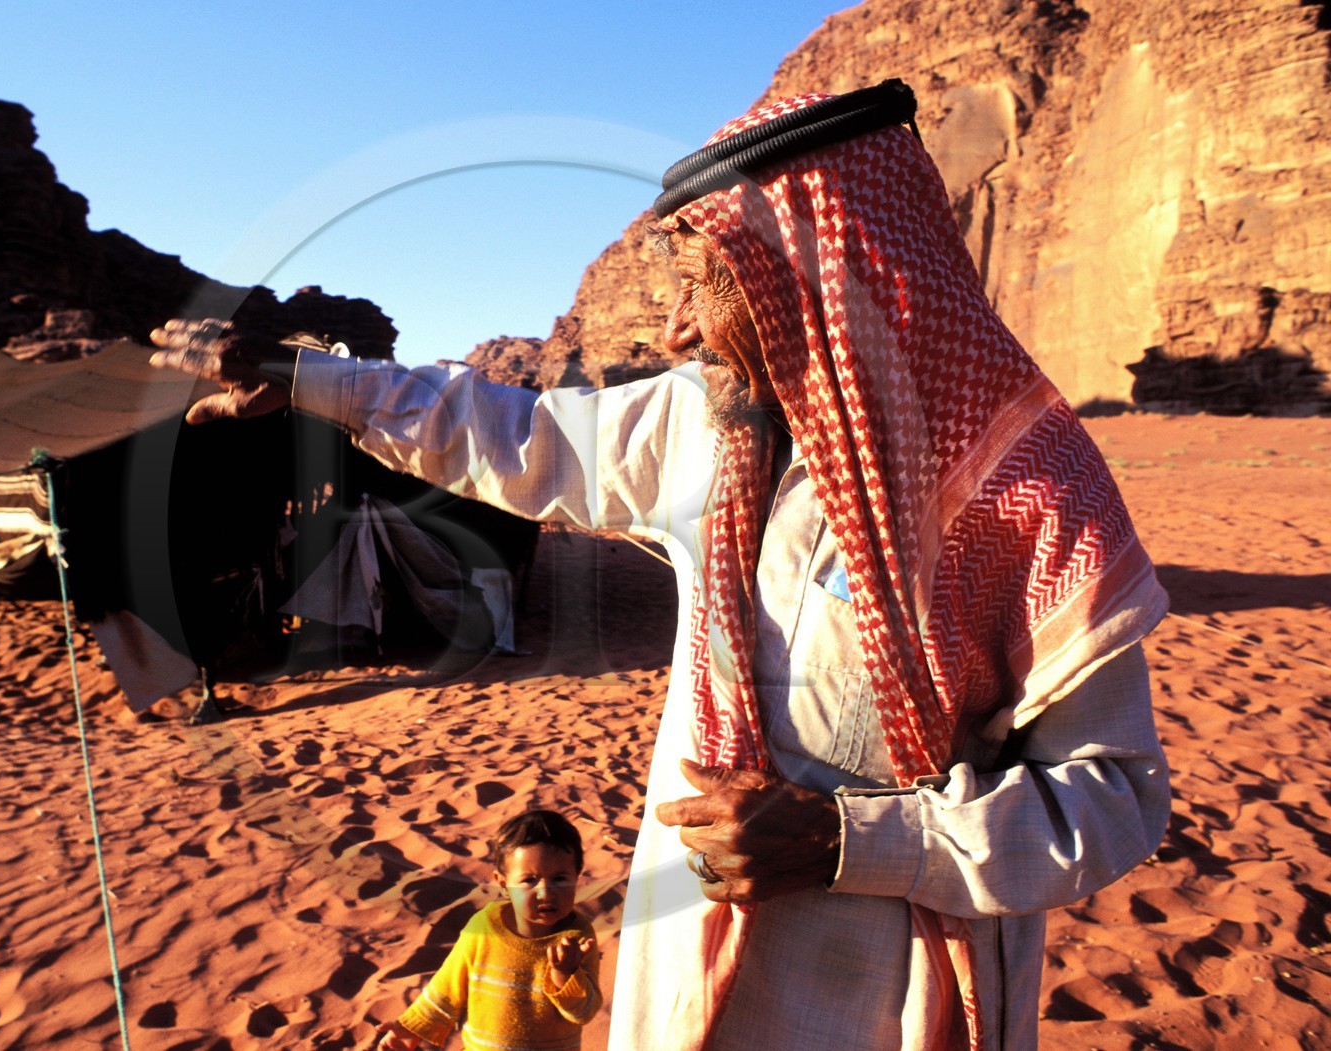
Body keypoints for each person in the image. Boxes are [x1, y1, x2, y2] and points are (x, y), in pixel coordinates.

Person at [150, 79, 1170, 1050]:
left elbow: (1113, 799)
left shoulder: (1023, 494)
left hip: (878, 992)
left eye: (702, 285)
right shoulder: (705, 428)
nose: (676, 328)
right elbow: (507, 434)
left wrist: (850, 842)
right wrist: (304, 378)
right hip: (678, 964)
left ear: (810, 284)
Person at [374, 809, 602, 1050]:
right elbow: (449, 982)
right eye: (529, 880)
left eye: (560, 878)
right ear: (504, 884)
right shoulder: (485, 927)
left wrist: (565, 974)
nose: (546, 891)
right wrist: (412, 1026)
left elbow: (583, 1014)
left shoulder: (577, 939)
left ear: (577, 877)